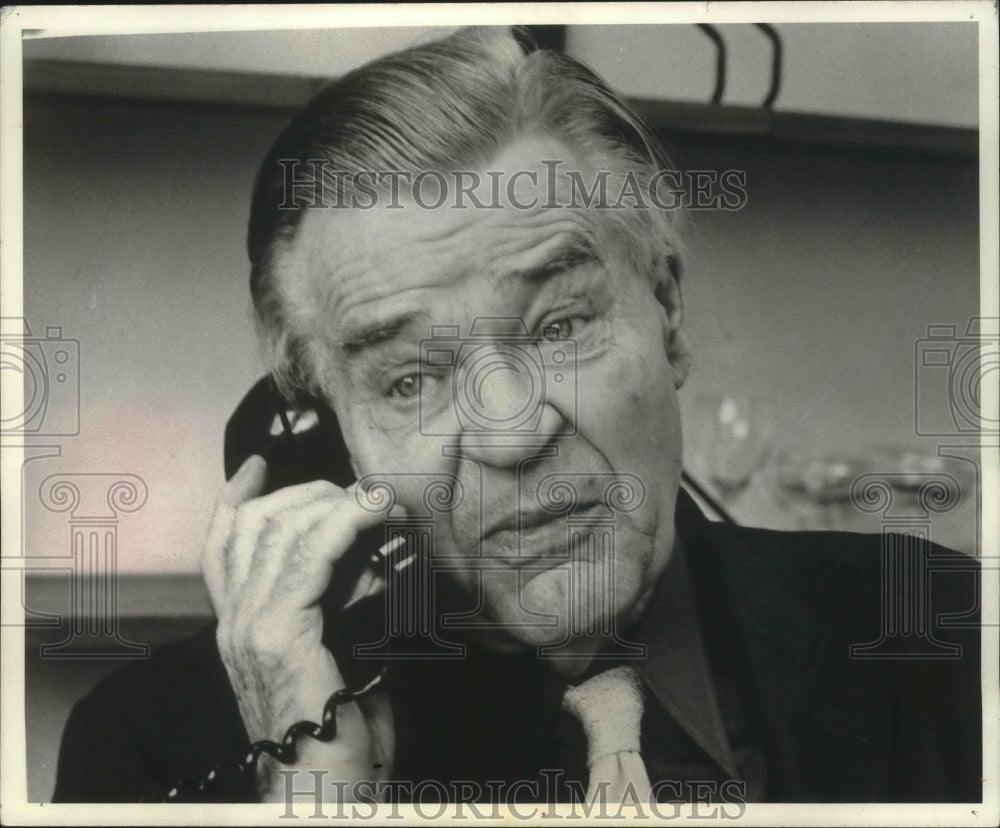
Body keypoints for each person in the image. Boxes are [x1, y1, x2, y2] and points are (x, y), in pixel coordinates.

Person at [53, 26, 981, 807]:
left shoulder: (945, 633)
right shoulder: (146, 748)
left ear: (668, 313)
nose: (512, 433)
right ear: (333, 435)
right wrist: (313, 787)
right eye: (409, 379)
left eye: (560, 325)